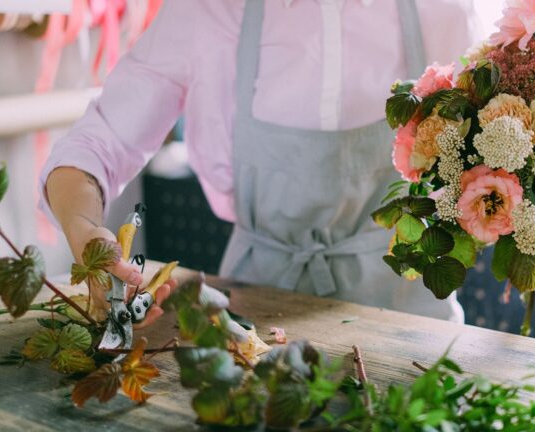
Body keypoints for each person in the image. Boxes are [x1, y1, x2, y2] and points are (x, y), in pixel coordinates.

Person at [41, 0, 478, 327]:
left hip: (413, 322)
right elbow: (97, 142)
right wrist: (86, 231)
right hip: (254, 320)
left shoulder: (442, 9)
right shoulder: (208, 11)